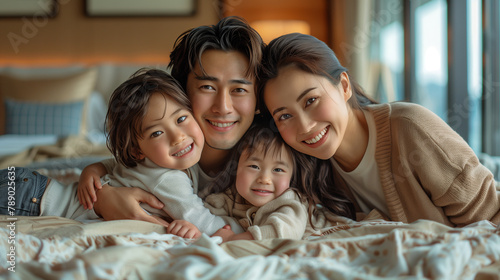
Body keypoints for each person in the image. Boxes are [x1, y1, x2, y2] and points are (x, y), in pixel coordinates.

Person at [257, 33, 500, 227]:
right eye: (285, 116)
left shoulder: (411, 128)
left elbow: (491, 216)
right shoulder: (306, 167)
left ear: (343, 86)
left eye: (311, 100)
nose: (305, 127)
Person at [0, 69, 244, 239]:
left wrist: (93, 169)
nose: (178, 137)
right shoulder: (168, 179)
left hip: (30, 186)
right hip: (32, 202)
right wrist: (240, 227)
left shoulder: (146, 163)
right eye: (157, 133)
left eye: (181, 119)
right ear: (137, 150)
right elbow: (202, 221)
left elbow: (111, 163)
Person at [79, 16, 265, 224]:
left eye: (239, 90)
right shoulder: (164, 153)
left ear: (259, 98)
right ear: (181, 91)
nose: (223, 107)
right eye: (207, 87)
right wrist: (98, 187)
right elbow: (126, 165)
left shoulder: (272, 153)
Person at [169, 124, 355, 242]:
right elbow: (207, 219)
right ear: (236, 168)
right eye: (254, 166)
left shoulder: (290, 201)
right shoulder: (227, 197)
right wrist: (194, 229)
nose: (264, 179)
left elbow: (281, 231)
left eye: (278, 170)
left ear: (291, 177)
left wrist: (235, 239)